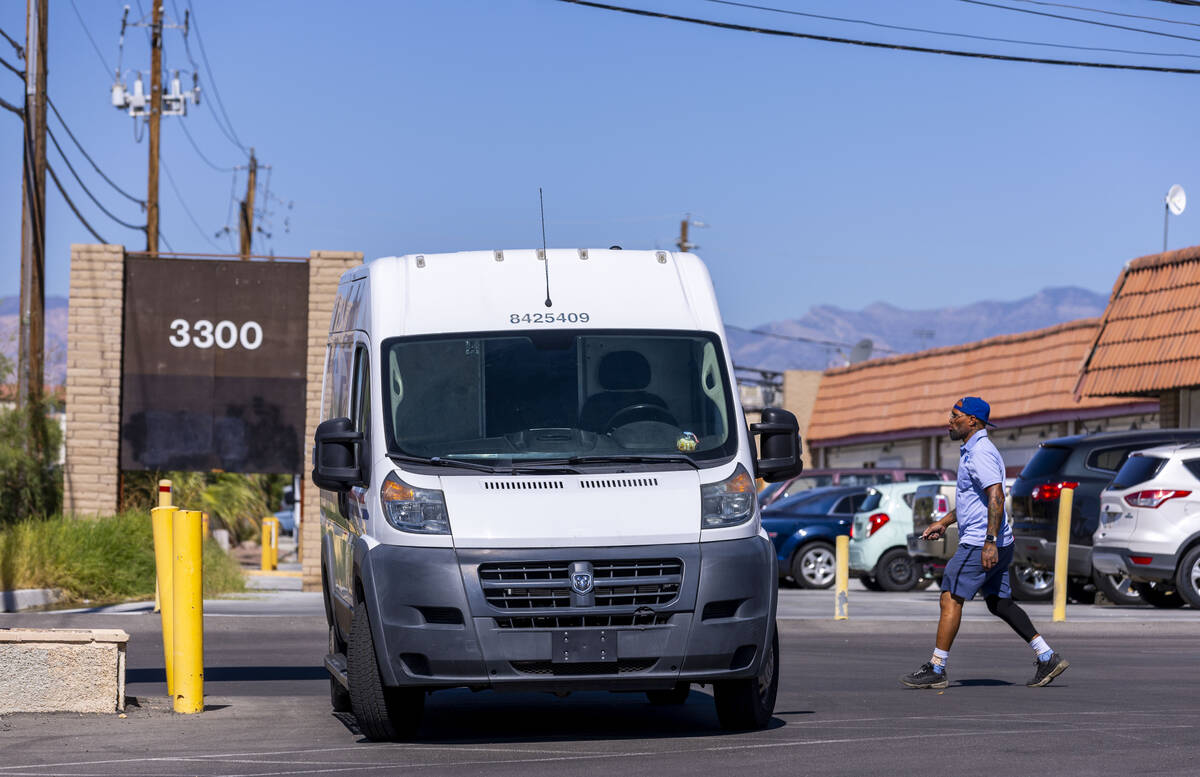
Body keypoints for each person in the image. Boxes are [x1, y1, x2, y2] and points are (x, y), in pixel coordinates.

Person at [901, 396, 1069, 690]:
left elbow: (996, 496)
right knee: (999, 602)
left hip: (981, 542)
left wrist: (989, 541)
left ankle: (937, 667)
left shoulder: (979, 452)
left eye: (955, 416)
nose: (949, 421)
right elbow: (973, 499)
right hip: (994, 540)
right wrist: (944, 522)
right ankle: (1047, 656)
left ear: (972, 421)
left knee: (950, 596)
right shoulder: (973, 451)